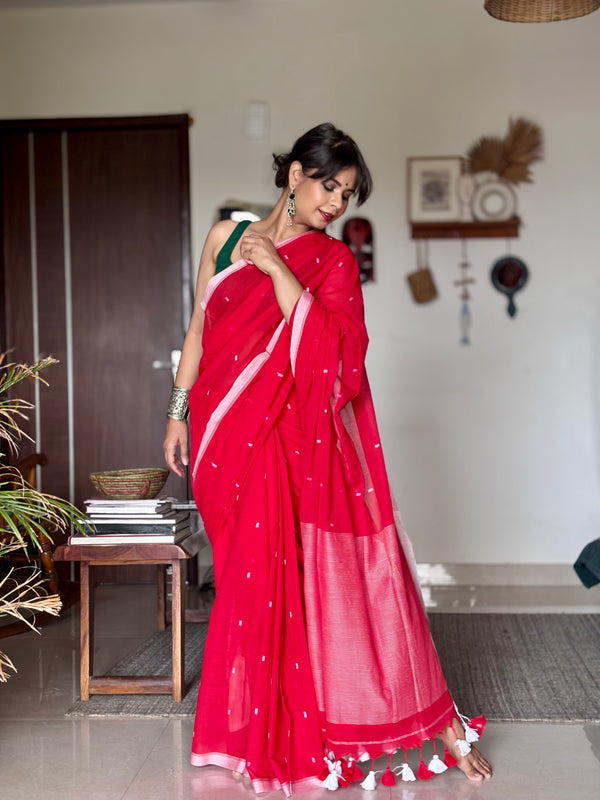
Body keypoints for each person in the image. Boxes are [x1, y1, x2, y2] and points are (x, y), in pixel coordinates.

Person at [163, 123, 492, 796]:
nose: (336, 203)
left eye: (346, 194)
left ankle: (374, 729)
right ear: (294, 175)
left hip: (287, 443)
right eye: (329, 186)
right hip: (222, 438)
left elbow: (339, 360)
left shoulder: (333, 262)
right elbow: (197, 329)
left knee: (296, 584)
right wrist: (176, 411)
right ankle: (244, 731)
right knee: (243, 585)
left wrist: (278, 268)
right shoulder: (224, 237)